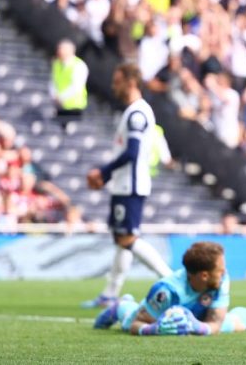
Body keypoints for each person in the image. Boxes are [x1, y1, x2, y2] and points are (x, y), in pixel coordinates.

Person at [82, 63, 172, 308]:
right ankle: (110, 294)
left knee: (127, 238)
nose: (114, 86)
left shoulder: (137, 114)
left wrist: (104, 172)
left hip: (130, 185)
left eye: (117, 80)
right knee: (121, 237)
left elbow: (132, 152)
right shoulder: (134, 112)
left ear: (131, 83)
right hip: (124, 184)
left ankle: (172, 281)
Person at [93, 241, 246, 335]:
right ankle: (119, 305)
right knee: (128, 316)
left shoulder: (221, 278)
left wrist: (197, 326)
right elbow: (136, 324)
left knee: (234, 324)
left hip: (198, 317)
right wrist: (152, 330)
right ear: (204, 275)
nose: (225, 272)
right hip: (156, 318)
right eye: (220, 270)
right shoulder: (166, 291)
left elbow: (217, 323)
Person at [49, 39, 89, 130]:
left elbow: (76, 87)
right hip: (59, 105)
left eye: (61, 49)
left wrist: (61, 97)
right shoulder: (56, 63)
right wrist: (54, 95)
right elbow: (53, 81)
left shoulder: (79, 66)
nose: (58, 52)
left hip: (74, 106)